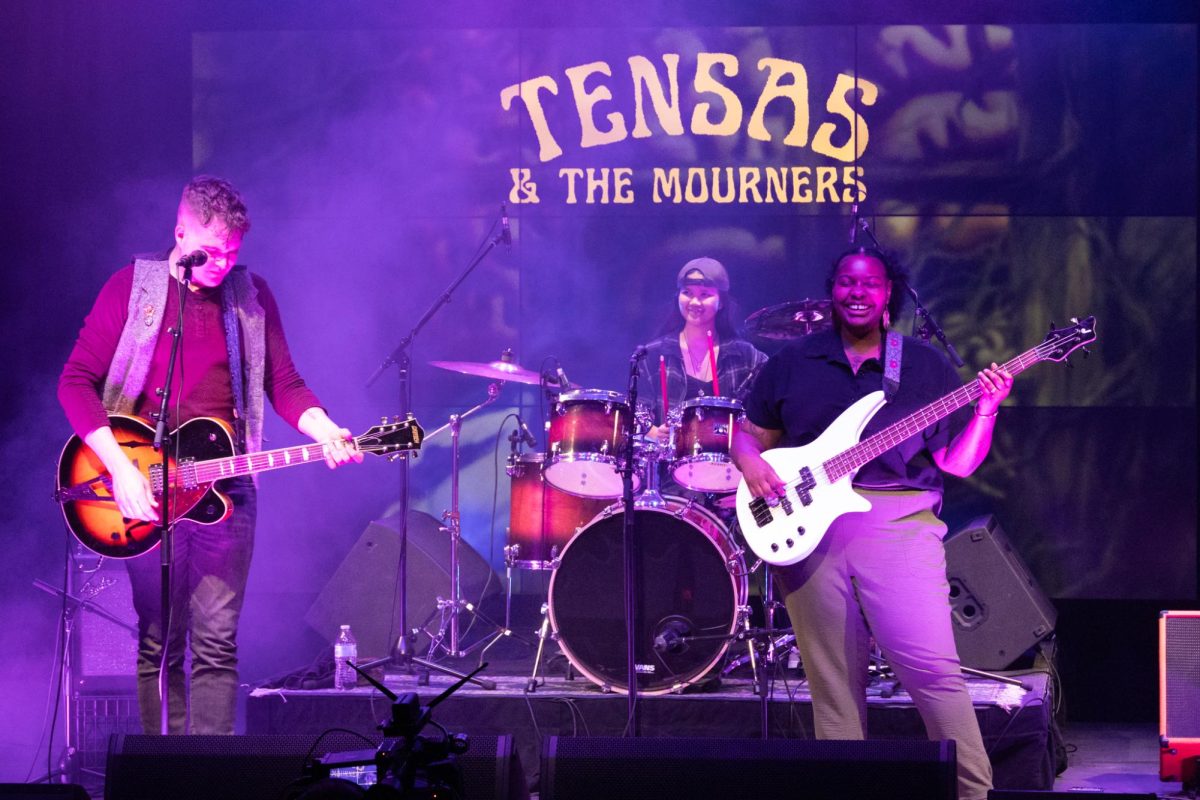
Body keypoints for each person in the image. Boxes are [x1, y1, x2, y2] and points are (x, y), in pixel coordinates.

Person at [57, 176, 362, 735]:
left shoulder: (252, 296)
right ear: (181, 233)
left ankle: (211, 774)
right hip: (143, 482)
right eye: (213, 251)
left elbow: (285, 381)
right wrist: (120, 469)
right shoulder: (132, 286)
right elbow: (75, 382)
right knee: (158, 639)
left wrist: (323, 427)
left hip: (228, 485)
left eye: (234, 253)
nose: (223, 264)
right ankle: (161, 774)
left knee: (218, 644)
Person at [731, 247, 1011, 800]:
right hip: (810, 532)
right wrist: (750, 462)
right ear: (832, 290)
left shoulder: (925, 365)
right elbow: (747, 432)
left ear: (889, 294)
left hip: (899, 523)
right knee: (833, 687)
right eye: (845, 283)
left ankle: (975, 794)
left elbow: (957, 462)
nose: (856, 293)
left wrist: (986, 408)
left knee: (932, 673)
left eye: (870, 284)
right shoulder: (794, 361)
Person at [637, 256, 768, 431]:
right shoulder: (652, 355)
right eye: (687, 293)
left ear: (721, 302)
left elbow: (766, 412)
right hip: (667, 456)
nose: (694, 302)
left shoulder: (746, 358)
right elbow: (636, 417)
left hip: (729, 457)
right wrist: (653, 433)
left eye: (705, 294)